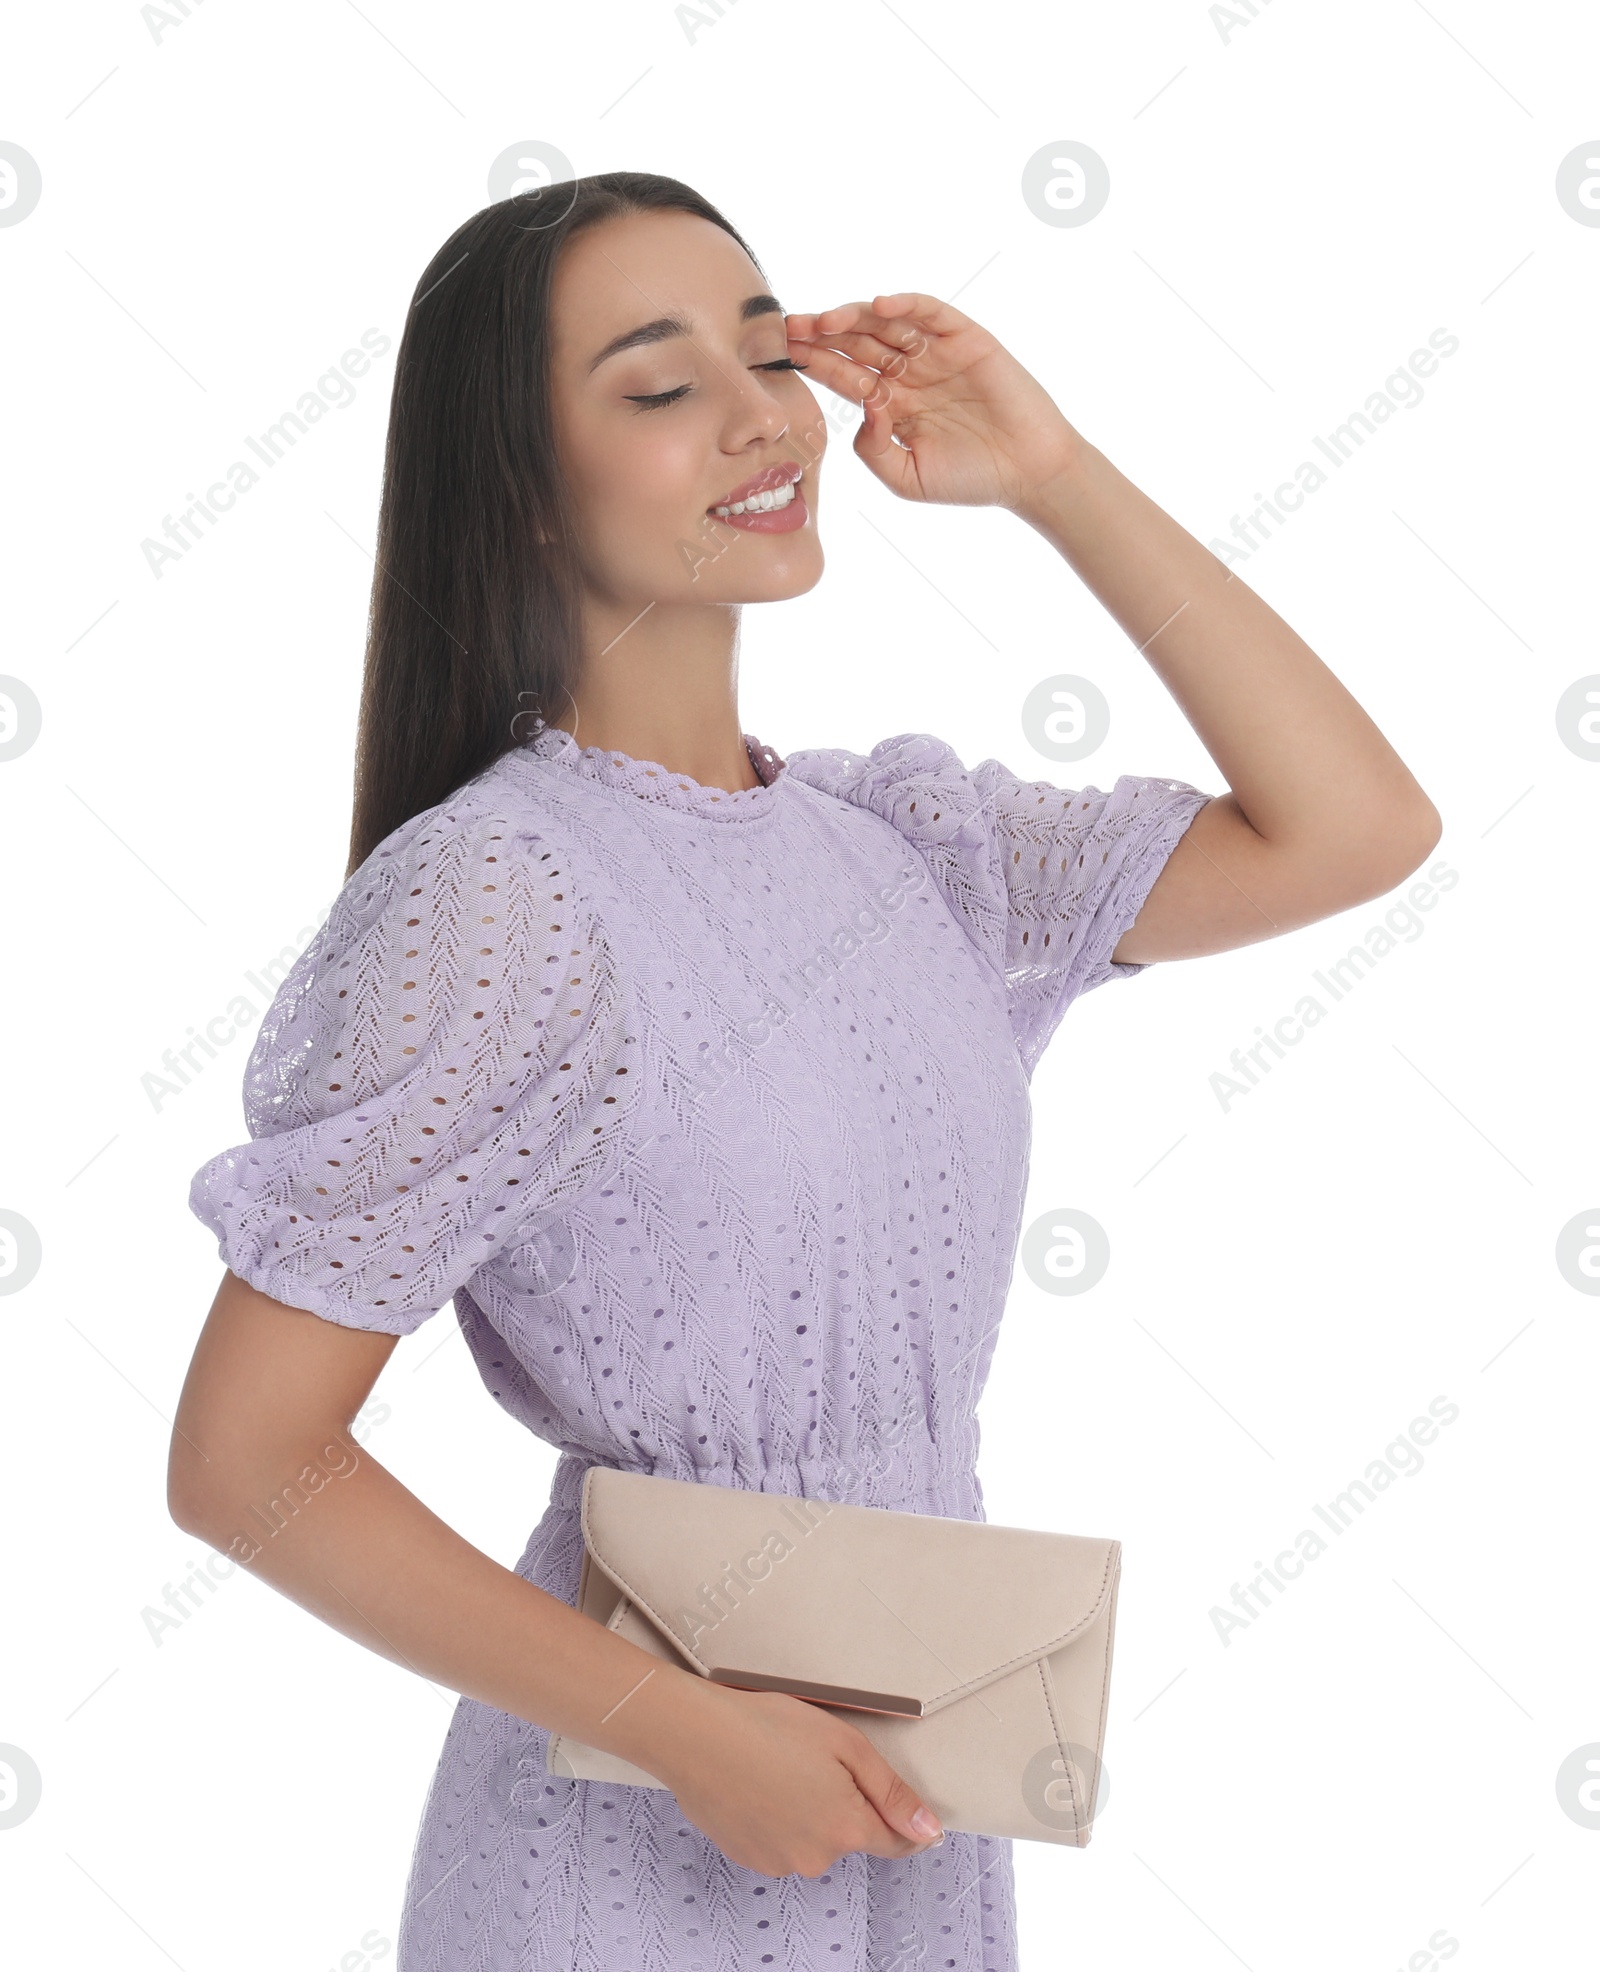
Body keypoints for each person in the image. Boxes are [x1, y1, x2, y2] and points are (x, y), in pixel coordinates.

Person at [168, 171, 1441, 1972]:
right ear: (520, 487)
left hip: (908, 1785)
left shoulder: (902, 848)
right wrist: (679, 1731)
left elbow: (1357, 826)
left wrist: (1053, 475)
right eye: (659, 382)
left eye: (765, 352)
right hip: (631, 1832)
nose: (764, 414)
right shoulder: (498, 899)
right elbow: (244, 1461)